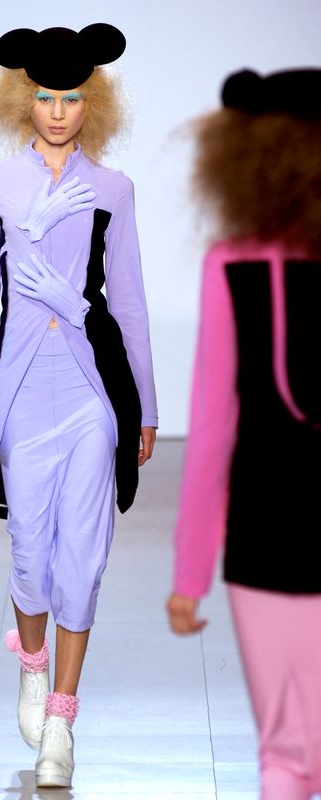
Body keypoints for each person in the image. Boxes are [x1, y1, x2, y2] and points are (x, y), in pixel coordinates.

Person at [0, 23, 158, 788]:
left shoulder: (114, 191)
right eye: (44, 97)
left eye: (71, 98)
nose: (57, 112)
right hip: (20, 387)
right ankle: (31, 666)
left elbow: (130, 302)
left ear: (91, 104)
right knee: (28, 555)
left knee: (84, 561)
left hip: (91, 392)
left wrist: (144, 409)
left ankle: (61, 723)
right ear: (22, 99)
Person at [167, 68, 321, 800]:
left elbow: (210, 431)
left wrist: (188, 575)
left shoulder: (230, 266)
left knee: (287, 755)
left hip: (267, 532)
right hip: (269, 535)